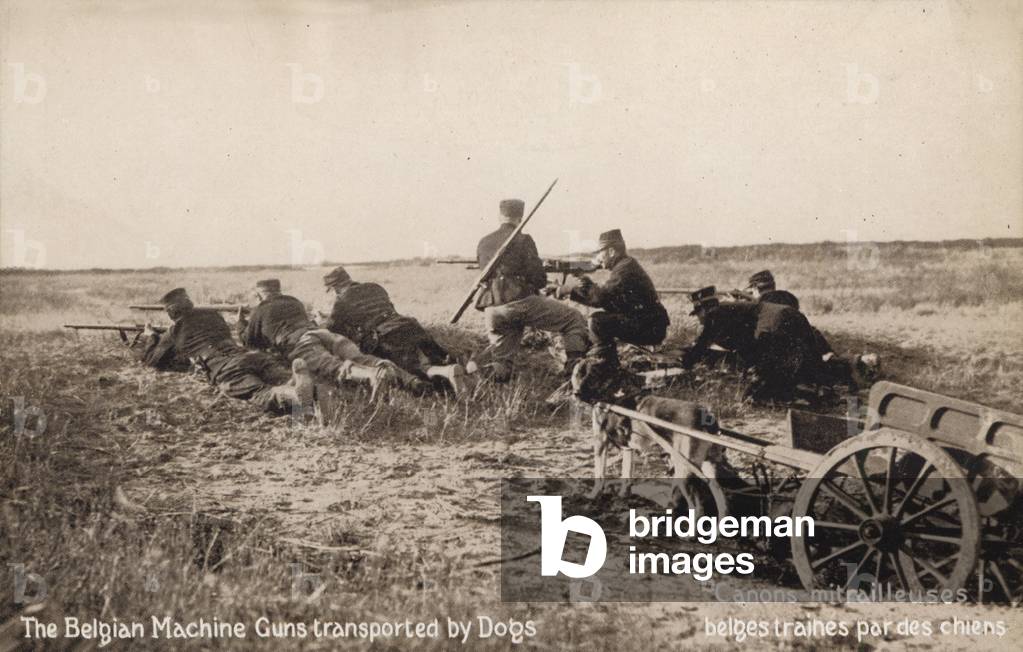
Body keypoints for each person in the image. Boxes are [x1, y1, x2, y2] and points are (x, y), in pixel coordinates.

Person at [138, 287, 314, 414]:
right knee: (280, 376)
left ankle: (293, 395)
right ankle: (301, 385)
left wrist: (151, 336)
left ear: (170, 312)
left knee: (260, 392)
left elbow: (152, 360)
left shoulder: (174, 331)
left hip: (227, 369)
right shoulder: (214, 316)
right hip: (250, 356)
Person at [238, 278, 423, 398]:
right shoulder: (294, 302)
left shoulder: (260, 310)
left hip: (301, 342)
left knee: (332, 367)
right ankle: (411, 381)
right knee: (363, 358)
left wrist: (241, 322)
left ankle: (370, 376)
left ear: (259, 294)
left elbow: (250, 342)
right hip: (324, 334)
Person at [471, 198, 589, 381]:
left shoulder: (483, 242)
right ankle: (573, 376)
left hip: (492, 308)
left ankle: (474, 375)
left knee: (503, 363)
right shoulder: (523, 239)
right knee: (574, 319)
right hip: (519, 302)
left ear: (500, 216)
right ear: (521, 217)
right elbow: (539, 279)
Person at [318, 266, 471, 394]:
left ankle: (446, 373)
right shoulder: (375, 287)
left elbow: (334, 329)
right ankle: (463, 373)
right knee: (438, 357)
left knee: (416, 370)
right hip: (410, 325)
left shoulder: (342, 300)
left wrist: (323, 320)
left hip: (388, 335)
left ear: (334, 288)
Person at [682, 286, 822, 402]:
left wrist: (685, 362)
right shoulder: (732, 310)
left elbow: (702, 343)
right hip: (794, 315)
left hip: (774, 323)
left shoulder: (714, 314)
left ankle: (787, 394)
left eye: (697, 314)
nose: (698, 319)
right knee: (802, 361)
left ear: (704, 309)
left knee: (756, 393)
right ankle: (816, 389)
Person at [557, 229, 669, 366]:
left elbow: (600, 299)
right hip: (651, 324)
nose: (598, 258)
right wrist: (582, 280)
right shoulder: (626, 265)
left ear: (611, 252)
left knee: (597, 321)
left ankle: (606, 366)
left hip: (650, 328)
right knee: (600, 320)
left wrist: (569, 290)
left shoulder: (624, 270)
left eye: (600, 253)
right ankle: (607, 362)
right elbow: (608, 299)